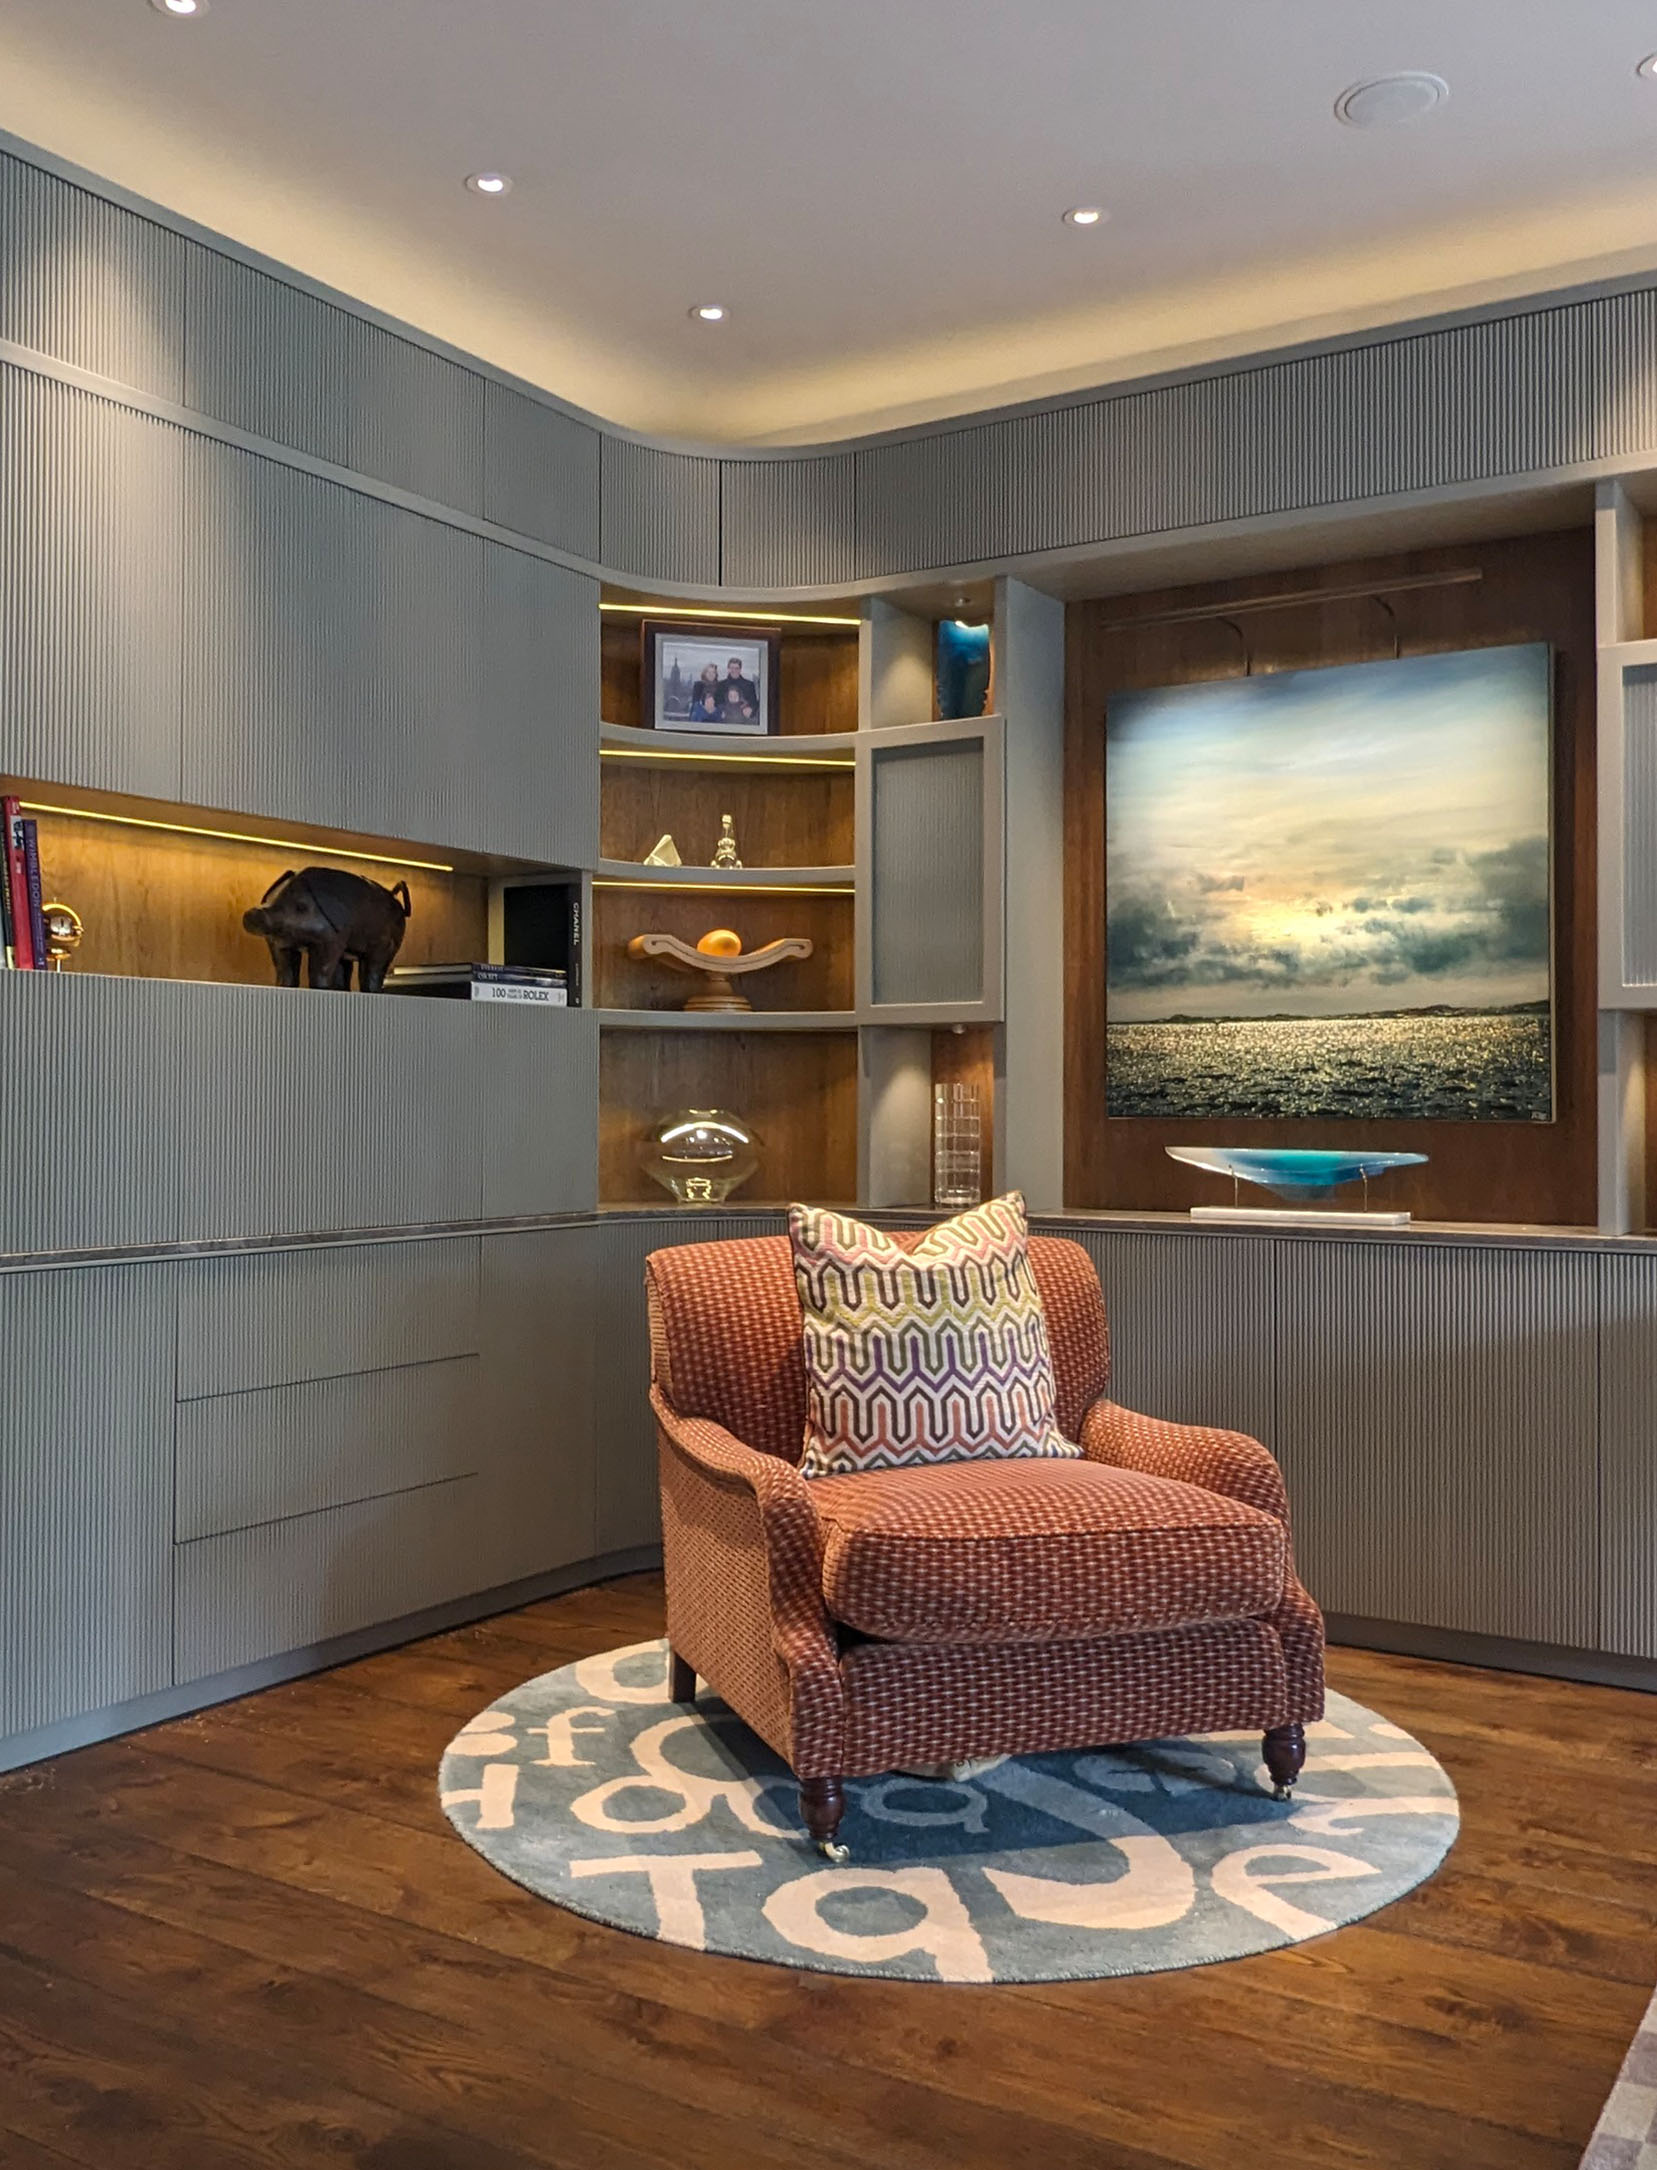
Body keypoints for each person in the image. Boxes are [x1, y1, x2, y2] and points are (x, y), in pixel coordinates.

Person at [721, 655, 761, 725]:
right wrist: (721, 710)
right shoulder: (721, 685)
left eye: (737, 668)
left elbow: (754, 702)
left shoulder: (749, 685)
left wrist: (751, 709)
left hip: (744, 719)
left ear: (740, 669)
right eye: (732, 668)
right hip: (726, 719)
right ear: (728, 669)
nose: (734, 670)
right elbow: (717, 701)